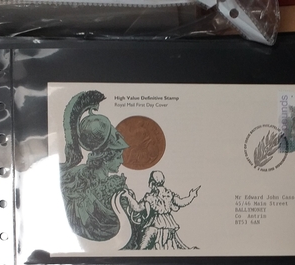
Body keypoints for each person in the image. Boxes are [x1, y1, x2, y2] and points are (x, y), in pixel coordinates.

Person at [60, 90, 130, 243]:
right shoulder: (79, 182)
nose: (121, 160)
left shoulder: (102, 181)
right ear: (106, 157)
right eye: (118, 155)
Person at [122, 170, 200, 250]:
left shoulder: (151, 197)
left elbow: (137, 207)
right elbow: (182, 202)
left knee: (142, 249)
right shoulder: (169, 195)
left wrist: (128, 196)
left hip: (154, 226)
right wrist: (192, 196)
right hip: (168, 227)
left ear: (152, 182)